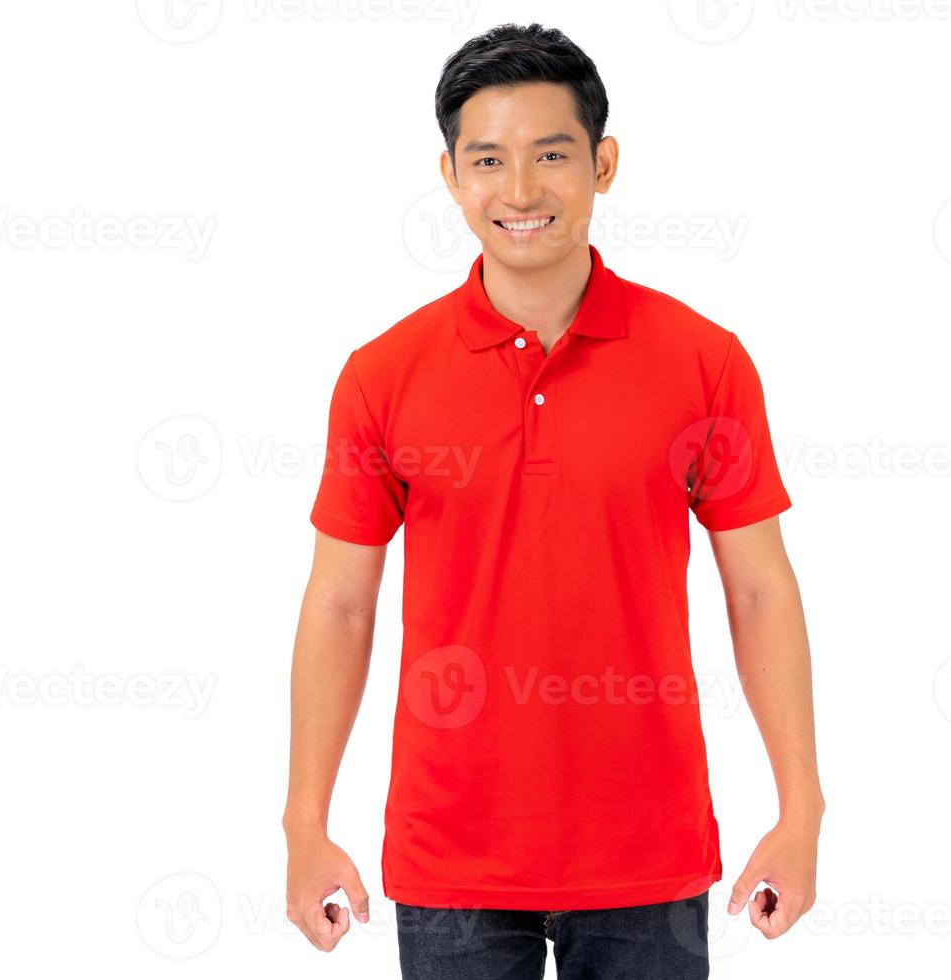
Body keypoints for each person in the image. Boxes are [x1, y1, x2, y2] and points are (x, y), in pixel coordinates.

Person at [283, 22, 823, 979]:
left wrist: (801, 809)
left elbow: (761, 593)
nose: (520, 192)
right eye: (488, 160)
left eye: (552, 156)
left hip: (647, 854)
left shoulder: (705, 362)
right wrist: (304, 824)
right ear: (450, 175)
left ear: (603, 165)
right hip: (453, 856)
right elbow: (339, 604)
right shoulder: (383, 375)